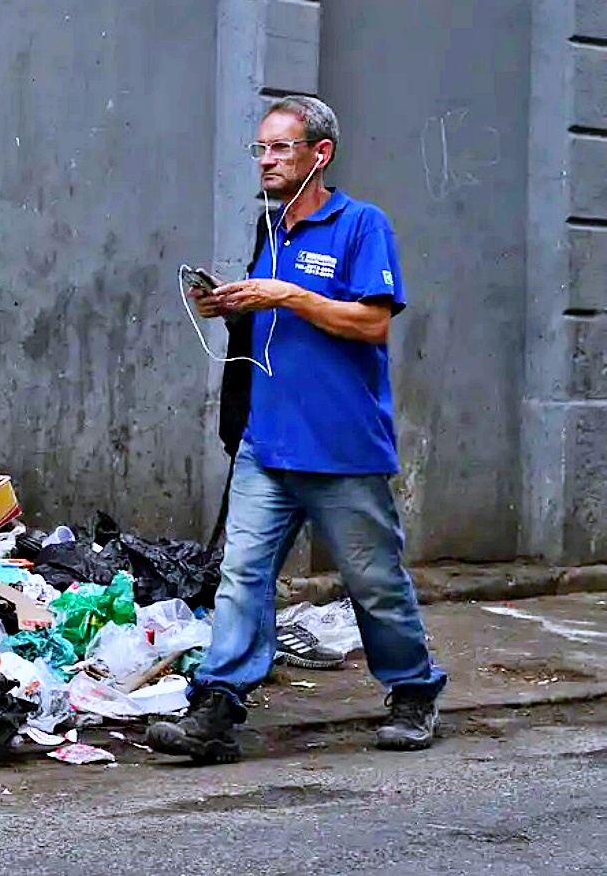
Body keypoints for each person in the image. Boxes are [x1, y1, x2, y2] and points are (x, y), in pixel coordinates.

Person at [147, 95, 446, 763]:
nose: (267, 160)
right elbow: (273, 327)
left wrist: (283, 293)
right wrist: (232, 304)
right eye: (261, 148)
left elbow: (371, 322)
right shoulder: (272, 230)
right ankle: (217, 708)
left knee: (373, 581)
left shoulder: (363, 225)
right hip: (268, 443)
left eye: (281, 147)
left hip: (342, 448)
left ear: (320, 153)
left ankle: (413, 691)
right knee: (242, 576)